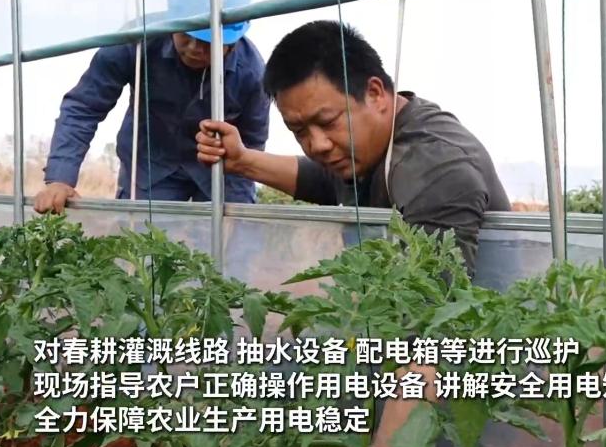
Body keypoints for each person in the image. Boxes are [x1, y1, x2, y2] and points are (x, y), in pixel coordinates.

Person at [195, 19, 510, 273]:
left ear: (375, 93)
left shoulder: (436, 169)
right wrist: (242, 160)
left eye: (328, 121)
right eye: (299, 131)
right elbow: (322, 179)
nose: (317, 145)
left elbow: (428, 320)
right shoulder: (370, 147)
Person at [34, 0, 270, 214]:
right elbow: (85, 107)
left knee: (232, 233)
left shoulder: (252, 73)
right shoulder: (136, 40)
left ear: (232, 42)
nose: (193, 48)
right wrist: (60, 177)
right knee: (142, 235)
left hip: (219, 171)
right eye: (186, 34)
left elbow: (251, 145)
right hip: (151, 166)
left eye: (207, 42)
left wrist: (238, 217)